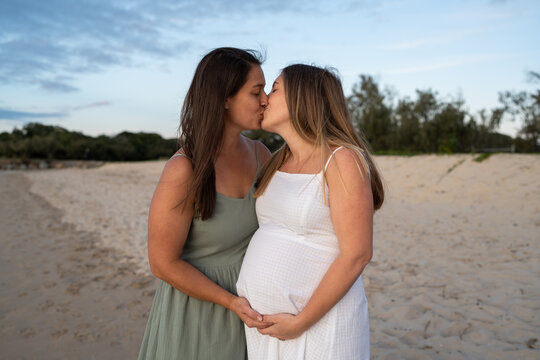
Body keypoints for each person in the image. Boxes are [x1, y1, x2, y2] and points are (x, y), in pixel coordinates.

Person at [236, 64, 384, 359]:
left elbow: (357, 254)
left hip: (320, 325)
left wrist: (300, 322)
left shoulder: (341, 159)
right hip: (268, 331)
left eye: (275, 89)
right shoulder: (277, 161)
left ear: (303, 99)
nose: (265, 99)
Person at [138, 47, 272, 360]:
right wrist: (230, 302)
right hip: (200, 314)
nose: (266, 99)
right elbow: (162, 263)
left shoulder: (261, 155)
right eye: (257, 92)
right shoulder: (184, 169)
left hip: (252, 313)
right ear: (225, 99)